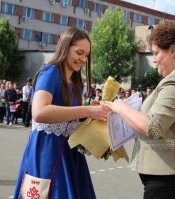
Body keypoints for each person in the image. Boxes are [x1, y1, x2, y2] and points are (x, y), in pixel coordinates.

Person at [106, 20, 175, 199]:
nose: (153, 59)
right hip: (168, 177)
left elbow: (151, 126)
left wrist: (120, 107)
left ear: (172, 50)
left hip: (171, 180)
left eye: (156, 52)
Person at [14, 27, 109, 198]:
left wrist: (96, 119)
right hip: (47, 151)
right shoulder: (50, 72)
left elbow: (68, 124)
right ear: (65, 47)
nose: (83, 59)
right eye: (79, 52)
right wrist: (87, 110)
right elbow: (39, 111)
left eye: (86, 55)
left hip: (68, 152)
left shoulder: (74, 81)